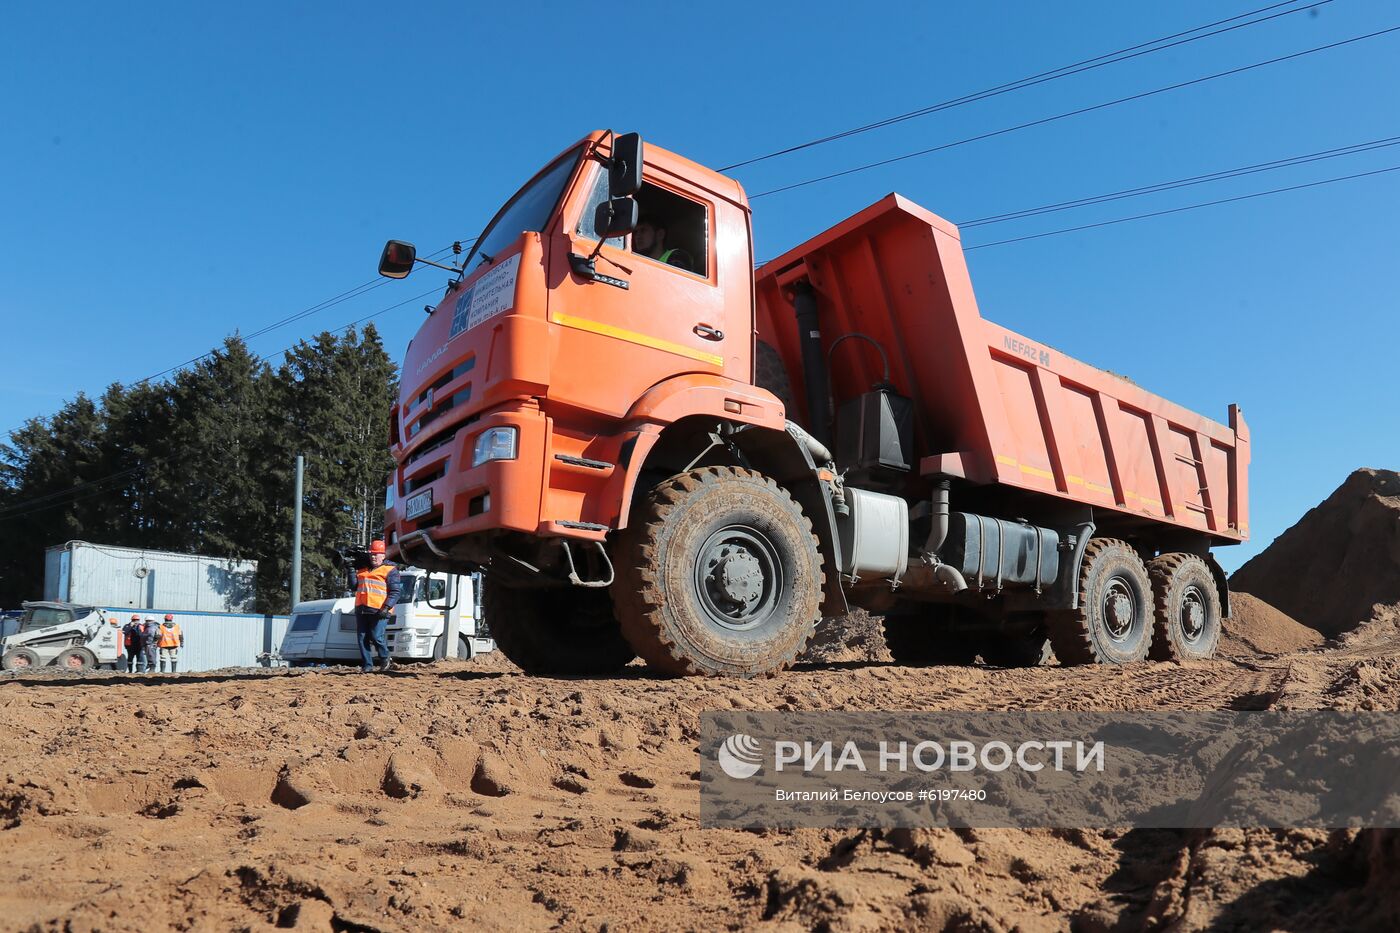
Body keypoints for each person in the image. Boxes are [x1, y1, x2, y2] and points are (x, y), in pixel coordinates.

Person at [348, 540, 401, 673]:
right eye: (372, 554)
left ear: (383, 555)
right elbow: (354, 586)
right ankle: (367, 666)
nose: (373, 557)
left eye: (376, 554)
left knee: (376, 636)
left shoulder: (390, 570)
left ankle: (385, 658)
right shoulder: (362, 569)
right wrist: (349, 569)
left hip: (380, 610)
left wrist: (387, 607)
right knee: (362, 638)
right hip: (361, 608)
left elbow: (395, 592)